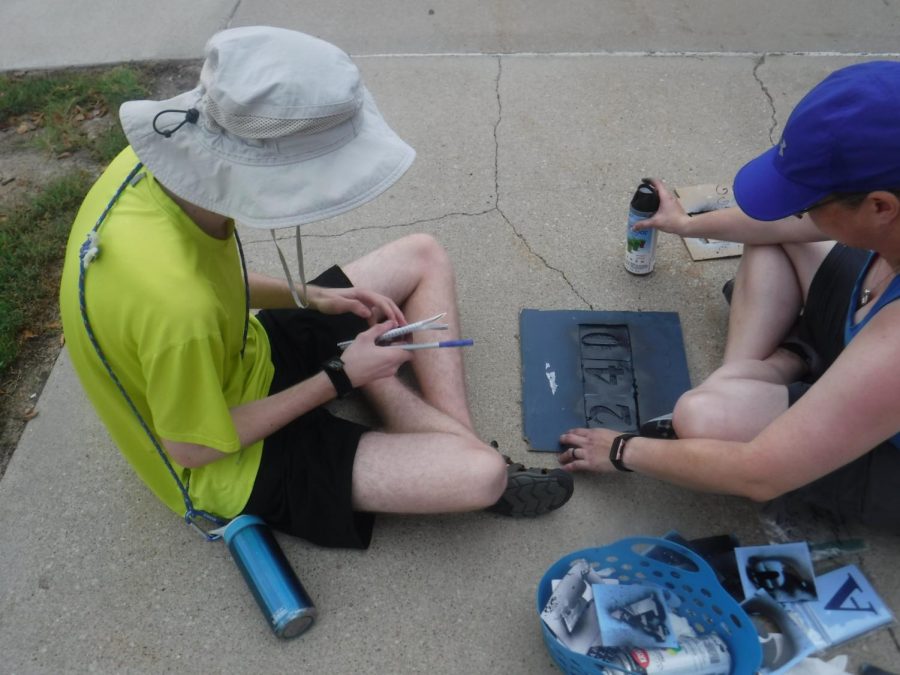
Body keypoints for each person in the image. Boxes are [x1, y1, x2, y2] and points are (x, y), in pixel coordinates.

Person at [59, 26, 572, 550]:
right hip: (231, 459)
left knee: (423, 254)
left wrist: (310, 295)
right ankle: (430, 424)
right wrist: (340, 377)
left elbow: (210, 287)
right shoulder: (176, 310)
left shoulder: (163, 158)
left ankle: (447, 431)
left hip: (239, 352)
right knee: (482, 476)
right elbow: (191, 446)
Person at [558, 60, 900, 532]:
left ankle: (751, 392)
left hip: (883, 459)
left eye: (808, 202)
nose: (797, 211)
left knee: (700, 416)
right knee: (768, 241)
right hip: (874, 342)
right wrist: (684, 225)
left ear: (881, 206)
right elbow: (774, 223)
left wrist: (621, 450)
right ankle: (769, 371)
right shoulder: (889, 220)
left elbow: (760, 473)